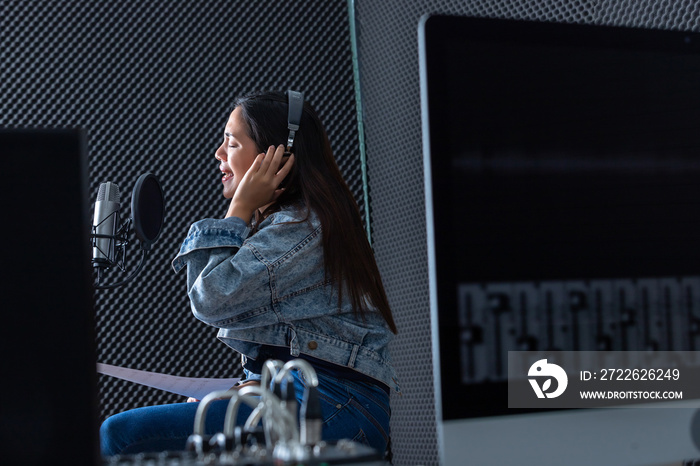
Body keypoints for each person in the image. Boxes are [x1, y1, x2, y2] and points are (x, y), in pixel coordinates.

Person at [100, 90, 399, 457]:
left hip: (332, 404)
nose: (219, 154)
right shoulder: (293, 225)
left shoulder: (301, 230)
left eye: (231, 142)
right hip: (316, 398)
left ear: (277, 157)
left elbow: (212, 298)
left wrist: (239, 208)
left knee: (122, 436)